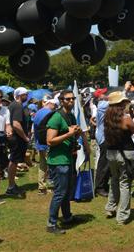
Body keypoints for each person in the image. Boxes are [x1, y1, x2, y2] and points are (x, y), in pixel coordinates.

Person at [45, 89, 88, 234]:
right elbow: (50, 141)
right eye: (68, 99)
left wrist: (75, 135)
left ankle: (67, 217)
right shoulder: (56, 118)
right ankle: (51, 224)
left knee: (67, 191)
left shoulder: (70, 116)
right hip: (57, 161)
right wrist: (69, 133)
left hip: (68, 158)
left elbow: (72, 136)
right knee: (60, 192)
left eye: (72, 99)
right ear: (61, 101)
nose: (71, 101)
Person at [103, 91, 134, 225]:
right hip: (125, 154)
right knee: (125, 184)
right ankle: (122, 215)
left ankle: (110, 207)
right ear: (120, 104)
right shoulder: (125, 118)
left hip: (111, 153)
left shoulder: (107, 118)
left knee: (114, 180)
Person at [7, 87, 30, 197]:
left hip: (15, 138)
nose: (27, 96)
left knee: (14, 161)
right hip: (17, 138)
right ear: (20, 95)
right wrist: (25, 137)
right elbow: (16, 124)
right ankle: (11, 187)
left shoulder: (13, 105)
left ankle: (12, 185)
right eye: (26, 94)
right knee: (14, 161)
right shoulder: (17, 106)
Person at [33, 95, 58, 195]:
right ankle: (57, 186)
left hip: (40, 143)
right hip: (48, 143)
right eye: (55, 105)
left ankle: (42, 187)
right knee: (53, 165)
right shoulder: (50, 113)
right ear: (50, 103)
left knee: (42, 165)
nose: (56, 107)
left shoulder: (39, 112)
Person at [92, 88, 110, 197]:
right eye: (104, 93)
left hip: (104, 135)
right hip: (103, 137)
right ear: (100, 97)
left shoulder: (102, 104)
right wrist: (124, 90)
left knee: (106, 162)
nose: (107, 94)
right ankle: (100, 187)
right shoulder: (102, 104)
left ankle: (103, 184)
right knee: (104, 163)